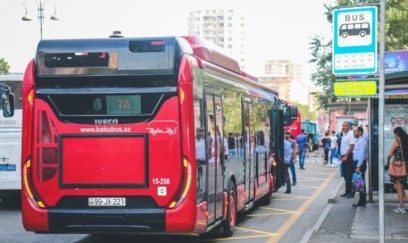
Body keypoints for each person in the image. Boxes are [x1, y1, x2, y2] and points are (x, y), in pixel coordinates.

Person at [386, 127, 408, 214]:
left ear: (397, 134)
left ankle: (401, 207)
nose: (393, 135)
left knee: (398, 186)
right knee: (398, 186)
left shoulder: (396, 142)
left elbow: (389, 155)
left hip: (398, 167)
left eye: (394, 134)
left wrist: (387, 162)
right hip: (406, 166)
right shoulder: (406, 141)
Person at [340, 121, 356, 198]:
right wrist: (341, 155)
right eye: (343, 125)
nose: (343, 127)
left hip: (349, 157)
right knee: (345, 175)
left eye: (345, 125)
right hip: (344, 156)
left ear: (349, 127)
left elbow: (351, 146)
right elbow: (344, 146)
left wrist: (346, 156)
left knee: (349, 175)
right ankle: (347, 192)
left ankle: (350, 192)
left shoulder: (351, 134)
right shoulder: (344, 134)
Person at [352, 126, 367, 207]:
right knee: (359, 183)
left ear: (360, 132)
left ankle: (362, 202)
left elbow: (361, 154)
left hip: (359, 164)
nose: (353, 133)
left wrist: (358, 166)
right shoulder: (359, 140)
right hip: (358, 163)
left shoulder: (362, 141)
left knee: (360, 183)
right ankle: (361, 201)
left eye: (355, 131)